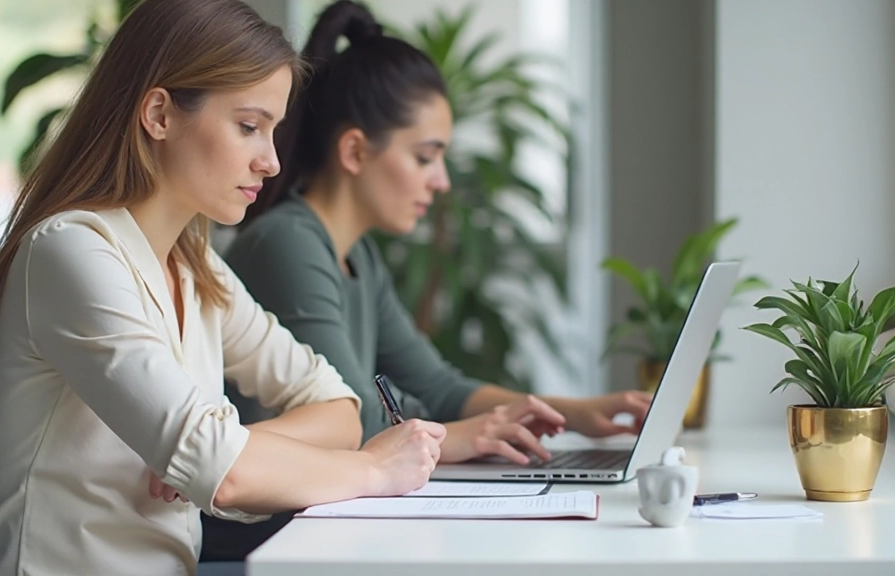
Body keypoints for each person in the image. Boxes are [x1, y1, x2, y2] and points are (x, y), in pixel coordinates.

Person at [0, 1, 446, 574]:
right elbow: (230, 476)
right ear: (159, 114)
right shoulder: (72, 251)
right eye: (248, 126)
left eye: (274, 131)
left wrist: (218, 448)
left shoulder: (195, 264)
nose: (269, 160)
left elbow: (338, 407)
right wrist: (373, 469)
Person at [227, 0, 654, 468]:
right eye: (425, 157)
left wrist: (572, 414)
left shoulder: (358, 256)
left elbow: (439, 387)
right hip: (268, 530)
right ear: (354, 151)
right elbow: (354, 423)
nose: (442, 181)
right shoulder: (287, 244)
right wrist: (460, 436)